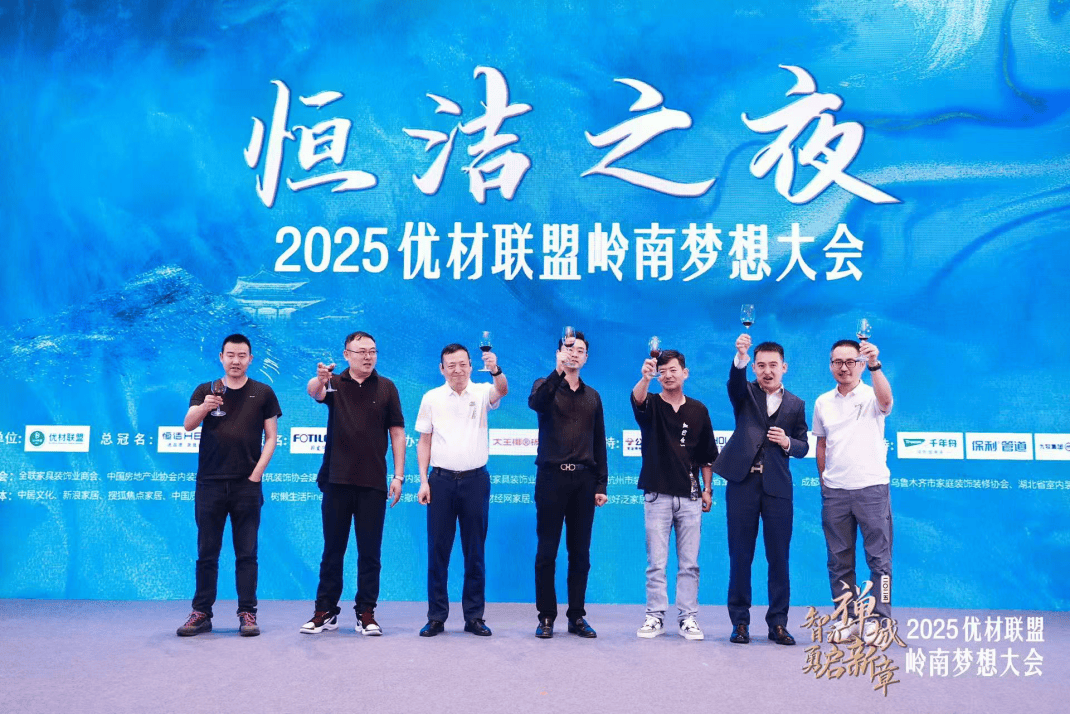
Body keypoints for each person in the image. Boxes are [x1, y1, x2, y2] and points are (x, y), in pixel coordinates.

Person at [299, 331, 405, 636]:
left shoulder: (387, 387)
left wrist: (398, 475)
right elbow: (314, 392)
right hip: (337, 479)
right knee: (333, 550)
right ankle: (325, 611)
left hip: (373, 481)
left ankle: (366, 612)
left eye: (372, 351)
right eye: (361, 352)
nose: (368, 357)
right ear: (347, 355)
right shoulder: (334, 382)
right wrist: (320, 379)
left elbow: (397, 432)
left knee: (370, 553)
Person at [177, 334, 281, 637]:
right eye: (230, 355)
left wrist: (256, 474)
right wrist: (205, 407)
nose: (236, 361)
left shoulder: (263, 392)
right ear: (221, 357)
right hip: (209, 483)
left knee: (247, 553)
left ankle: (247, 612)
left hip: (246, 486)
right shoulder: (205, 390)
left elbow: (271, 437)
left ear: (250, 359)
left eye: (242, 355)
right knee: (207, 552)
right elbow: (188, 424)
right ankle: (201, 613)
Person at [712, 334, 809, 646]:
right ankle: (740, 623)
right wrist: (739, 356)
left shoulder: (796, 404)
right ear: (753, 367)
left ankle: (778, 623)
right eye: (761, 365)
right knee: (740, 555)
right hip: (743, 484)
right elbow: (734, 383)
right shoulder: (745, 394)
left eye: (773, 365)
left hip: (778, 488)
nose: (768, 371)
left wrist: (788, 442)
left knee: (779, 557)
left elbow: (804, 445)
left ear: (784, 367)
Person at [415, 343, 508, 637]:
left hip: (475, 481)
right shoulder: (431, 398)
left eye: (462, 364)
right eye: (451, 365)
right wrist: (423, 480)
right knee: (438, 551)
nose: (457, 370)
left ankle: (474, 617)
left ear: (470, 366)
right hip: (440, 482)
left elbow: (502, 390)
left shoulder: (481, 392)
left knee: (475, 551)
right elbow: (424, 441)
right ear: (442, 369)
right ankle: (436, 617)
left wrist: (495, 370)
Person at [631, 348, 718, 640]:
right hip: (657, 495)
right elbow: (637, 399)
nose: (668, 376)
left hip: (691, 497)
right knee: (656, 563)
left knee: (689, 564)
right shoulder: (651, 404)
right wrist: (645, 378)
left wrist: (708, 489)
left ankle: (688, 617)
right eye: (662, 372)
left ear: (685, 373)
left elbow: (707, 456)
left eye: (673, 370)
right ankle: (654, 616)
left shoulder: (698, 410)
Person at [813, 338, 894, 644]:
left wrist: (875, 365)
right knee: (838, 561)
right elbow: (822, 444)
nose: (844, 368)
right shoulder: (823, 402)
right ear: (830, 365)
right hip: (836, 492)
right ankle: (846, 618)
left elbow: (887, 402)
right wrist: (824, 481)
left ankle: (880, 620)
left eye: (850, 362)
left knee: (879, 561)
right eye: (838, 362)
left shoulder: (872, 394)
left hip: (872, 489)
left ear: (860, 365)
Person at [529, 331, 608, 639]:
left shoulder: (593, 396)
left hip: (584, 481)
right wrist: (558, 371)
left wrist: (601, 484)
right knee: (547, 551)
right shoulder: (544, 385)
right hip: (551, 478)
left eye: (580, 350)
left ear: (586, 358)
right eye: (569, 348)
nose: (574, 353)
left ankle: (576, 616)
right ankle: (546, 616)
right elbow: (537, 404)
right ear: (559, 352)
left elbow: (599, 442)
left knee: (580, 553)